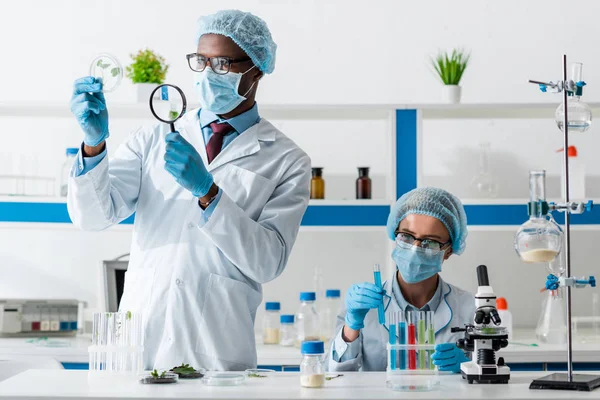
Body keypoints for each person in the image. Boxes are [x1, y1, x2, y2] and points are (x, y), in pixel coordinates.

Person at [68, 10, 311, 370]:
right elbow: (92, 217)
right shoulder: (152, 137)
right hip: (139, 344)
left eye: (223, 64)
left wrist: (209, 193)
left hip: (215, 348)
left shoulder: (288, 160)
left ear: (256, 69)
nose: (209, 74)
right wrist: (92, 145)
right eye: (202, 61)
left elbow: (268, 261)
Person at [327, 187, 475, 372]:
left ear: (448, 251)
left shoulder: (470, 308)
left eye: (430, 242)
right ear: (394, 234)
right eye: (406, 236)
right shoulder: (364, 305)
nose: (415, 249)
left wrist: (468, 366)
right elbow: (336, 377)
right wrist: (351, 326)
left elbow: (488, 381)